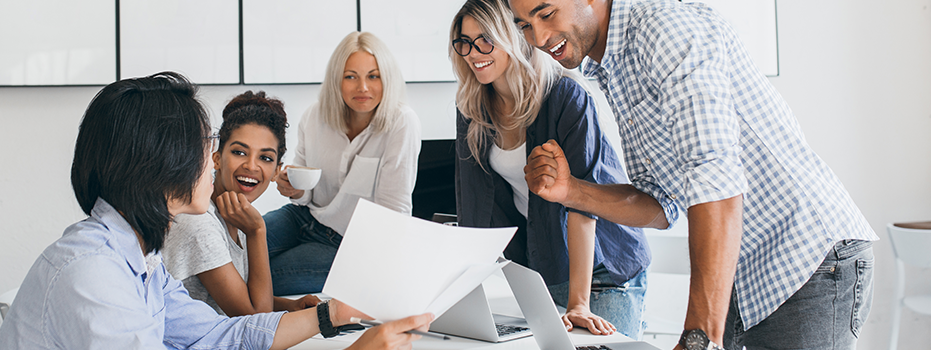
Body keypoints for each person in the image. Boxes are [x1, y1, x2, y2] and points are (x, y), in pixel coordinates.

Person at [509, 0, 878, 349]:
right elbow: (661, 203)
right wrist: (572, 191)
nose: (538, 38)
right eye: (525, 24)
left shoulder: (663, 29)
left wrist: (699, 336)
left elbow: (714, 176)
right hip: (740, 272)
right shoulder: (612, 66)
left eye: (546, 13)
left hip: (805, 259)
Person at [0, 71, 432, 349]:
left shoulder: (140, 259)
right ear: (160, 161)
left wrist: (328, 316)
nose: (213, 159)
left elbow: (214, 334)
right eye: (208, 145)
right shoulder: (92, 274)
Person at [448, 0, 648, 339]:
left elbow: (583, 204)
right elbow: (471, 206)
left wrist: (579, 303)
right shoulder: (472, 110)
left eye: (485, 39)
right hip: (543, 266)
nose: (473, 53)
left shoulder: (565, 97)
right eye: (464, 42)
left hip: (600, 271)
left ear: (512, 35)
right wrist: (459, 292)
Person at [265, 31, 422, 295]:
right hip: (303, 217)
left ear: (387, 78)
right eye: (351, 77)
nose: (363, 87)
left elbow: (393, 213)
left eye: (373, 76)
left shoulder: (401, 123)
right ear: (337, 79)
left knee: (261, 277)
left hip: (348, 245)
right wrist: (295, 189)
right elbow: (305, 193)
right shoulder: (314, 116)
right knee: (234, 248)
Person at [161, 91, 320, 317]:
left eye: (265, 158)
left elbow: (244, 296)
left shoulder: (235, 213)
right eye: (239, 152)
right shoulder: (200, 225)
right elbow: (256, 320)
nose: (251, 166)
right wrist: (257, 231)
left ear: (276, 171)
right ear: (216, 158)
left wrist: (291, 306)